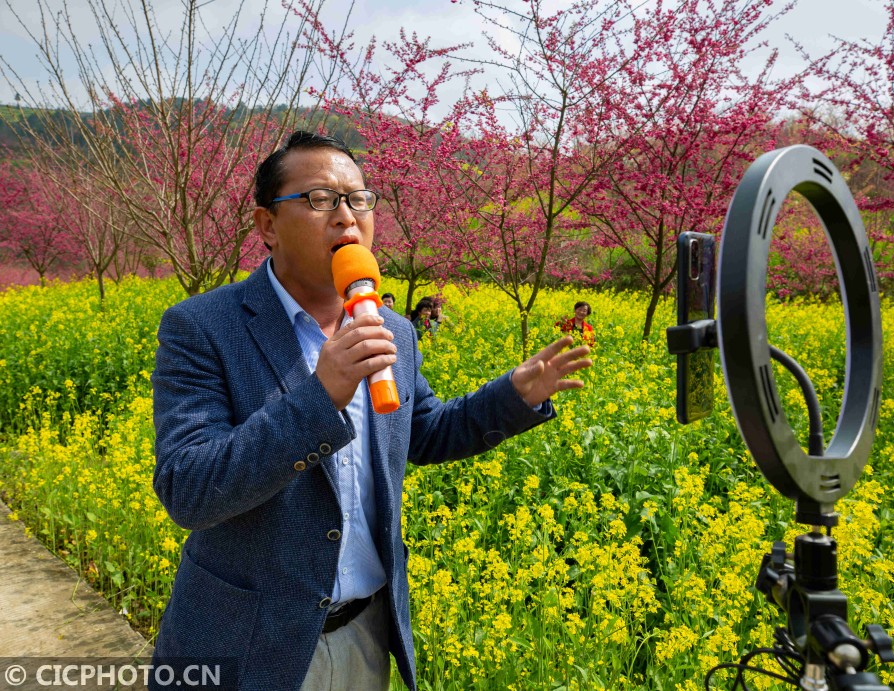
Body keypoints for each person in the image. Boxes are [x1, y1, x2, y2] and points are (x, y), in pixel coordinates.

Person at [149, 130, 592, 691]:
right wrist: (320, 396)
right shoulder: (202, 328)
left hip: (366, 632)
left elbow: (424, 431)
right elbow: (188, 488)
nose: (346, 216)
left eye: (358, 199)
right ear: (267, 225)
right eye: (319, 199)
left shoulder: (394, 331)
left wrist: (512, 396)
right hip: (248, 640)